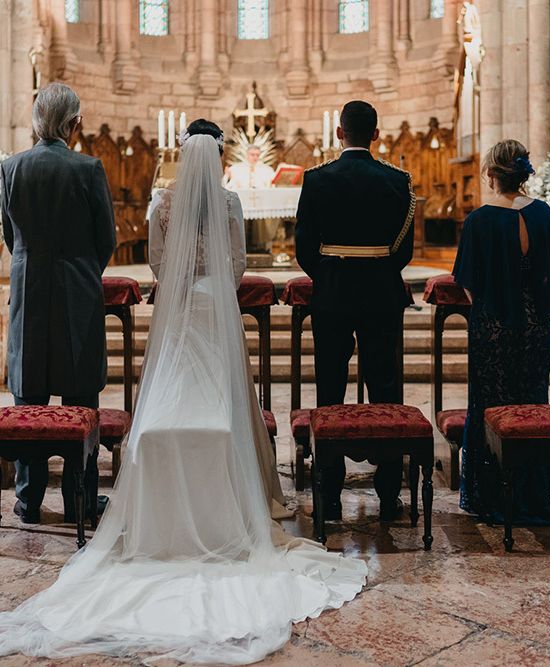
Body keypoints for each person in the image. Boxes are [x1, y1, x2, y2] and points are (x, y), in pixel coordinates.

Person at [0, 121, 366, 665]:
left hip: (176, 315)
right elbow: (239, 264)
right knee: (226, 404)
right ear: (218, 155)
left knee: (165, 403)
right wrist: (214, 284)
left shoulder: (161, 206)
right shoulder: (229, 203)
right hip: (216, 309)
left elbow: (155, 263)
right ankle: (232, 507)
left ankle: (152, 519)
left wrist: (180, 285)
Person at [0, 83, 115, 525]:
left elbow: (11, 236)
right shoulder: (88, 168)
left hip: (28, 289)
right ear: (73, 124)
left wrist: (33, 261)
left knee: (27, 394)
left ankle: (28, 501)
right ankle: (80, 499)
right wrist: (80, 268)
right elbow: (106, 239)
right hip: (78, 289)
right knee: (81, 394)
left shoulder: (12, 168)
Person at [295, 100, 415, 522]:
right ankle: (387, 494)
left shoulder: (317, 178)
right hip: (382, 291)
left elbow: (304, 248)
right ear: (376, 135)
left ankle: (328, 492)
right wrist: (378, 270)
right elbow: (405, 250)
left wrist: (329, 274)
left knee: (330, 389)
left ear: (339, 134)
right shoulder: (398, 181)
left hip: (333, 291)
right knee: (385, 388)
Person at [453, 139, 550, 527]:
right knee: (531, 405)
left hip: (493, 327)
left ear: (490, 175)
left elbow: (468, 284)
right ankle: (532, 495)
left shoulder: (479, 220)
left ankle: (492, 495)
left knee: (489, 409)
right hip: (536, 327)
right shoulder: (544, 215)